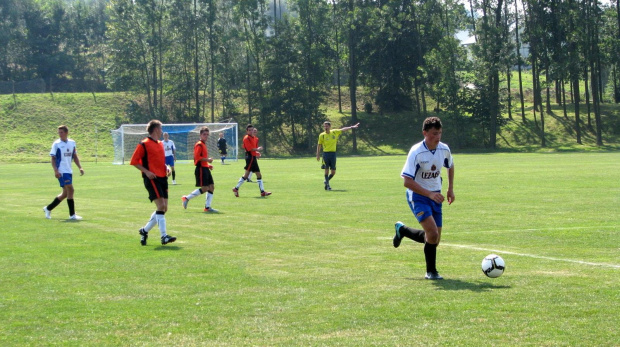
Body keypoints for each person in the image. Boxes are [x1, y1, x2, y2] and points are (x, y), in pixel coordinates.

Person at [393, 116, 454, 280]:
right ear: (425, 133)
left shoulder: (444, 149)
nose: (438, 137)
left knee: (434, 239)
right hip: (418, 196)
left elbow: (450, 165)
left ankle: (403, 230)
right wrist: (429, 194)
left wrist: (450, 189)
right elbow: (407, 181)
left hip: (436, 197)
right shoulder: (416, 151)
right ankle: (431, 272)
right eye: (434, 133)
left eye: (440, 133)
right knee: (432, 234)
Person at [130, 120, 177, 246]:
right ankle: (164, 236)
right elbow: (134, 161)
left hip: (162, 178)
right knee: (161, 206)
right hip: (152, 179)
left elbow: (159, 161)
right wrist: (146, 172)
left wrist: (166, 167)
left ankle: (144, 230)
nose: (161, 131)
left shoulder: (160, 144)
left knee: (164, 208)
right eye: (160, 128)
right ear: (156, 129)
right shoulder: (144, 144)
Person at [43, 125, 85, 220]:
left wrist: (80, 167)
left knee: (65, 193)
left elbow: (75, 156)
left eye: (61, 132)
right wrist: (56, 170)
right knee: (71, 189)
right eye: (59, 132)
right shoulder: (56, 144)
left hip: (69, 170)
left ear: (66, 132)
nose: (60, 134)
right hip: (61, 171)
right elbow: (53, 158)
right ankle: (72, 215)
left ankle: (48, 208)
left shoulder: (72, 143)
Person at [182, 127, 218, 213]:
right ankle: (186, 198)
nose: (206, 136)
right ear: (200, 135)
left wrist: (207, 164)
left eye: (207, 135)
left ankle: (207, 207)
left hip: (205, 168)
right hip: (201, 169)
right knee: (205, 188)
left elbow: (202, 159)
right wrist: (207, 160)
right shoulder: (199, 144)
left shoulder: (203, 144)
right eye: (204, 134)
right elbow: (197, 157)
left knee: (211, 187)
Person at [316, 121, 360, 190]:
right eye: (324, 126)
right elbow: (319, 145)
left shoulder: (334, 132)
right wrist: (318, 154)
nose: (325, 127)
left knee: (333, 172)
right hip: (326, 154)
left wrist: (352, 127)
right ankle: (327, 186)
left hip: (333, 154)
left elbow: (343, 129)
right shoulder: (322, 135)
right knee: (326, 170)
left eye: (327, 126)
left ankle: (326, 181)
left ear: (330, 126)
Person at [232, 124, 271, 197]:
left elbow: (254, 149)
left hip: (253, 157)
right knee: (247, 175)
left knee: (257, 174)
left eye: (252, 130)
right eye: (249, 130)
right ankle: (236, 188)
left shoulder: (254, 138)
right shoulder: (246, 138)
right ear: (247, 131)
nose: (251, 131)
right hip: (249, 157)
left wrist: (257, 153)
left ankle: (262, 192)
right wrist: (257, 149)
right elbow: (250, 149)